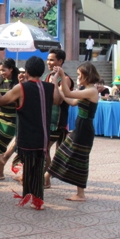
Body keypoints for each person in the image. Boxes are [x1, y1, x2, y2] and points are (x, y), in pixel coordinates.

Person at [0, 57, 61, 210]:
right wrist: (55, 80)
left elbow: (1, 100)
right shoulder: (49, 87)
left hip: (27, 136)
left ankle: (32, 197)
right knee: (37, 168)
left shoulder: (21, 87)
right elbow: (57, 100)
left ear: (27, 71)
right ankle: (37, 200)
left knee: (30, 167)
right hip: (43, 136)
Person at [48, 62, 101, 202]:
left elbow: (68, 93)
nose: (78, 77)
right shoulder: (87, 89)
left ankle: (80, 194)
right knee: (63, 152)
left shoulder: (91, 90)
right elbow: (71, 101)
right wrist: (56, 86)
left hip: (85, 130)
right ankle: (46, 178)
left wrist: (61, 75)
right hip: (80, 127)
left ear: (86, 75)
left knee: (79, 159)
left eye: (79, 75)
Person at [42, 48, 74, 188]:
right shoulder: (48, 76)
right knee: (45, 150)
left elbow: (58, 100)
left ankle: (47, 179)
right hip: (47, 120)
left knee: (45, 149)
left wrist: (55, 81)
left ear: (60, 62)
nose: (48, 62)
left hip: (58, 122)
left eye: (52, 60)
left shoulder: (65, 79)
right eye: (48, 59)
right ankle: (46, 176)